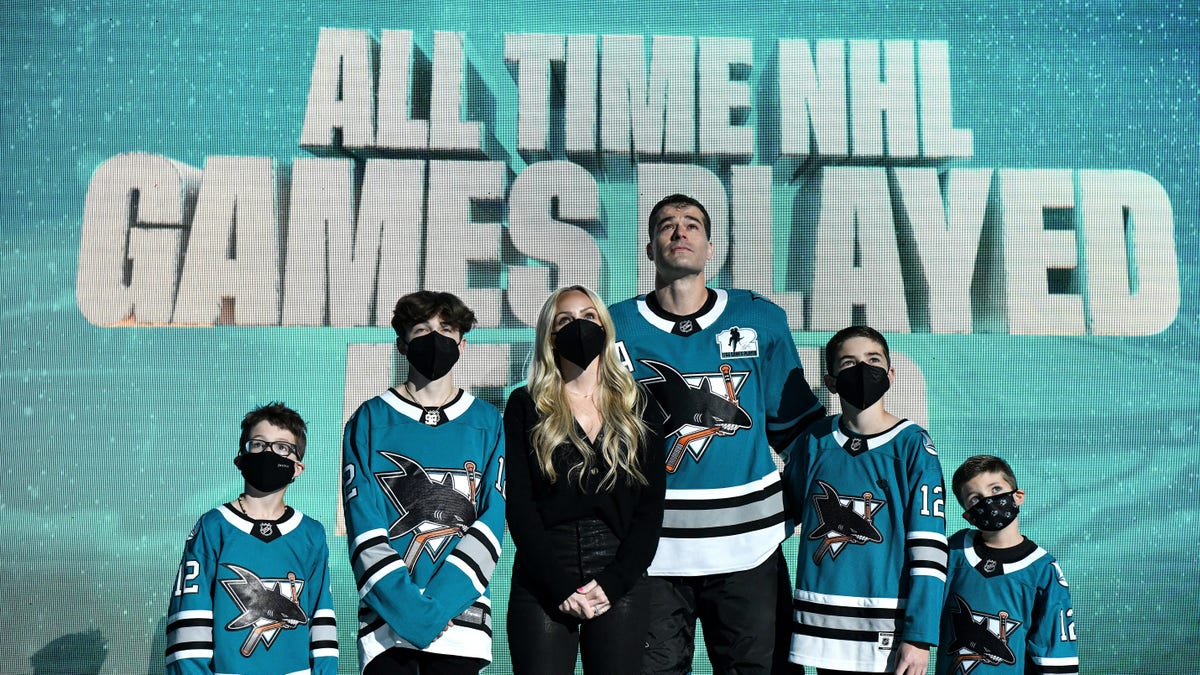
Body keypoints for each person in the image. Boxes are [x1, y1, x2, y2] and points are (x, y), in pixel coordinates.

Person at [608, 194, 826, 674]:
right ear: (649, 249)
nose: (679, 232)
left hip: (749, 545)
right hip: (653, 550)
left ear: (711, 248)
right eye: (667, 225)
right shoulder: (613, 326)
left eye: (691, 225)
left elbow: (799, 432)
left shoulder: (760, 319)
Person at [504, 285, 667, 674]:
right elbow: (520, 507)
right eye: (565, 321)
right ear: (549, 336)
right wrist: (558, 587)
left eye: (589, 317)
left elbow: (650, 509)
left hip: (618, 578)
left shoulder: (637, 405)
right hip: (543, 579)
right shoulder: (525, 405)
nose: (579, 327)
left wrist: (613, 583)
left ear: (605, 329)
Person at [341, 290, 505, 674]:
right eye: (422, 329)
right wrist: (410, 612)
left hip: (462, 623)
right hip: (388, 628)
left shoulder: (486, 422)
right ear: (402, 344)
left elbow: (493, 518)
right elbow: (363, 524)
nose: (435, 337)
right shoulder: (369, 420)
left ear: (462, 345)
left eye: (446, 329)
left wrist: (440, 605)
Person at [783, 326, 948, 674]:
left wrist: (919, 637)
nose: (862, 369)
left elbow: (929, 549)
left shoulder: (912, 445)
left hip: (886, 622)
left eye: (873, 360)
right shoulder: (814, 440)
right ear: (830, 382)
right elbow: (782, 516)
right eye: (849, 362)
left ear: (889, 374)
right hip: (822, 620)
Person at [165, 402, 338, 675]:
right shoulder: (213, 527)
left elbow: (322, 622)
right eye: (258, 444)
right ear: (240, 459)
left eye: (282, 447)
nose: (269, 453)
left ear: (297, 468)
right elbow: (189, 625)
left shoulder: (311, 534)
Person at [936, 455, 1079, 675]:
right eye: (975, 499)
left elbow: (1055, 654)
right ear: (968, 516)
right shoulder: (953, 551)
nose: (988, 501)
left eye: (995, 489)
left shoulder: (1043, 570)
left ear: (1018, 496)